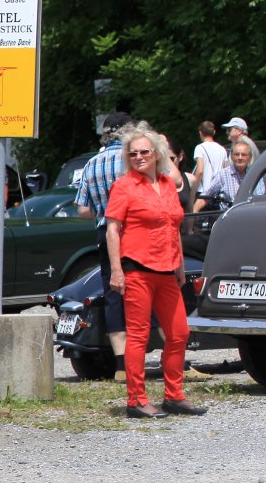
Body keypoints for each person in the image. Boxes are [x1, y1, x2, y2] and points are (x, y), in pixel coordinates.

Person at [107, 128, 206, 419]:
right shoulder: (124, 186)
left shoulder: (166, 184)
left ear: (156, 155)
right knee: (138, 335)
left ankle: (174, 396)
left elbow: (173, 227)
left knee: (179, 332)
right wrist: (116, 270)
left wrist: (180, 266)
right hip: (137, 268)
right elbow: (112, 230)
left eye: (144, 151)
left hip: (167, 269)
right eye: (133, 153)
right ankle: (136, 400)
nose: (138, 157)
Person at [76, 112, 133, 377]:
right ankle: (165, 357)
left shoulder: (92, 163)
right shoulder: (132, 159)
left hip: (104, 233)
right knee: (144, 290)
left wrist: (103, 211)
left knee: (113, 295)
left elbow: (82, 209)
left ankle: (121, 365)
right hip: (133, 232)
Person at [198, 139, 261, 210]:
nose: (240, 157)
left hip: (251, 213)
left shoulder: (255, 175)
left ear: (250, 157)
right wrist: (194, 211)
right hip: (229, 214)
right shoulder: (223, 175)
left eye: (244, 155)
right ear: (232, 156)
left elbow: (261, 198)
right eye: (237, 154)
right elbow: (205, 196)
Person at [192, 121, 228, 195]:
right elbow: (226, 170)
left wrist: (193, 189)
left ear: (200, 133)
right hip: (218, 191)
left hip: (203, 191)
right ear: (214, 132)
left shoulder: (200, 148)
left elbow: (200, 171)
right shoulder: (222, 149)